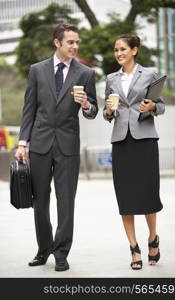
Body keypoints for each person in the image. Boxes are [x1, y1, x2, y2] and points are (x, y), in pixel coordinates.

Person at [15, 23, 98, 271]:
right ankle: (43, 248)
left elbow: (93, 110)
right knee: (40, 200)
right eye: (70, 42)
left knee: (66, 201)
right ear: (57, 43)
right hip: (40, 144)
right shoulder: (37, 70)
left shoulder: (85, 73)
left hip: (68, 146)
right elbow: (29, 108)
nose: (75, 46)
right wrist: (22, 142)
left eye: (77, 42)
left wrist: (86, 105)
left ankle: (61, 253)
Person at [103, 34, 165, 270]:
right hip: (121, 141)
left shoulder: (149, 74)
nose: (119, 53)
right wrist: (109, 111)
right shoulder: (111, 78)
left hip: (145, 140)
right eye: (116, 50)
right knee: (125, 196)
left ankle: (153, 238)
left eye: (123, 49)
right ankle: (133, 247)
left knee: (148, 192)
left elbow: (161, 105)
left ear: (134, 50)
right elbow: (106, 112)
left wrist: (153, 107)